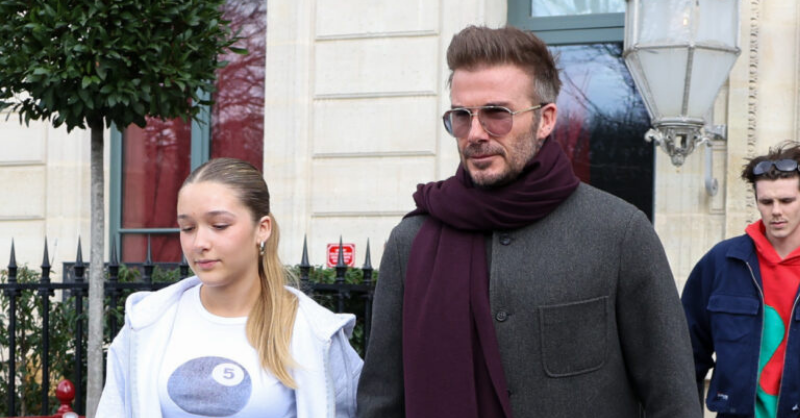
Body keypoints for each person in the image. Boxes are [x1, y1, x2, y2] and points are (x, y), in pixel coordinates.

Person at [356, 25, 700, 418]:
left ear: (546, 119)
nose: (475, 133)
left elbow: (673, 401)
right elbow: (380, 402)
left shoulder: (619, 233)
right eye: (461, 116)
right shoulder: (412, 242)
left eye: (497, 114)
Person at [97, 158, 362, 418]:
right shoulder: (146, 324)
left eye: (219, 225)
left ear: (262, 229)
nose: (199, 242)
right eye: (187, 228)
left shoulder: (314, 332)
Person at [682, 142, 800, 418]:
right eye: (766, 202)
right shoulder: (721, 262)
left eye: (786, 201)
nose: (776, 211)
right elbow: (685, 355)